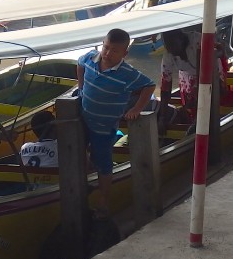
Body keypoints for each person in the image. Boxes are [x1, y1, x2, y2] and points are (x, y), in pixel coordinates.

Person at [76, 29, 155, 214]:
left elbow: (149, 85)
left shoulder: (127, 73)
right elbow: (79, 64)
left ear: (124, 53)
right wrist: (80, 87)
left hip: (104, 127)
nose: (108, 53)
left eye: (114, 51)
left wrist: (136, 109)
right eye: (106, 47)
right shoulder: (90, 58)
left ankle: (103, 199)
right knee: (77, 150)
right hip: (83, 119)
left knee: (103, 163)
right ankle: (85, 183)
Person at [158, 28, 200, 130]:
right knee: (190, 106)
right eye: (168, 48)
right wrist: (163, 117)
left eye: (173, 46)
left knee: (203, 100)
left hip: (210, 70)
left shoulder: (198, 41)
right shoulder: (169, 54)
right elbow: (165, 87)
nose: (171, 51)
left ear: (181, 39)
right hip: (186, 75)